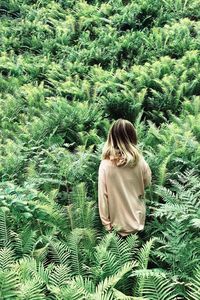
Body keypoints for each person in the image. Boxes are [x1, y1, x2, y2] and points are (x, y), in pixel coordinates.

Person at [98, 118, 152, 237]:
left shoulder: (105, 165)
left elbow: (103, 196)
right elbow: (147, 183)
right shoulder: (141, 162)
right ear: (132, 136)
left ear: (111, 136)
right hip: (138, 222)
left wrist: (106, 224)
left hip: (117, 227)